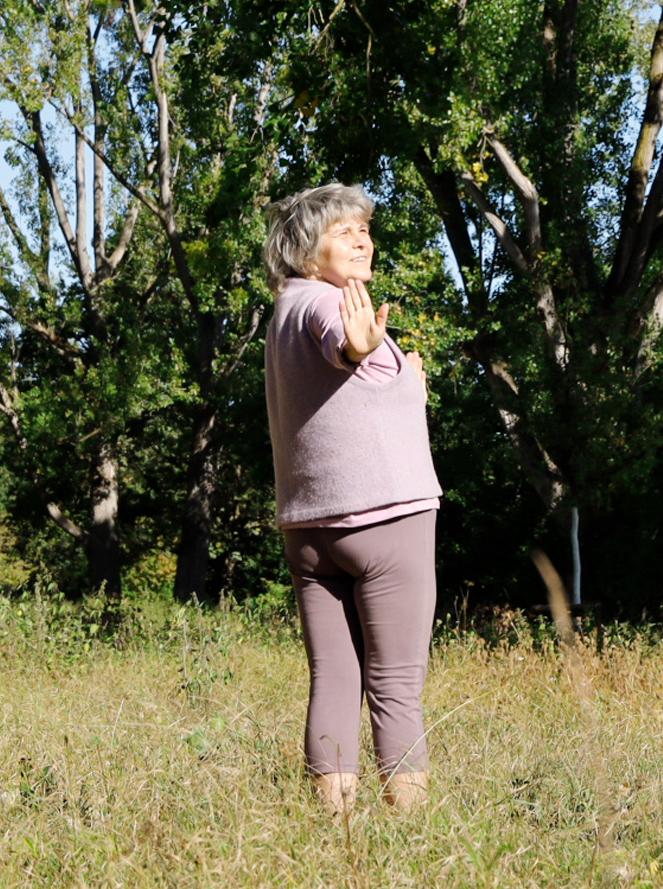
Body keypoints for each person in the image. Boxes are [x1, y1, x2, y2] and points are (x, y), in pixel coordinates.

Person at [262, 184, 442, 815]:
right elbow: (339, 341)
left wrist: (403, 382)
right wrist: (360, 347)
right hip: (386, 518)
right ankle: (412, 838)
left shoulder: (284, 308)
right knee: (396, 684)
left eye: (365, 229)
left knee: (335, 678)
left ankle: (331, 832)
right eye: (345, 232)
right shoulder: (327, 303)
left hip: (310, 531)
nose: (363, 240)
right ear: (309, 252)